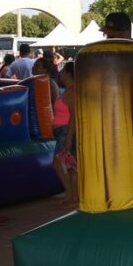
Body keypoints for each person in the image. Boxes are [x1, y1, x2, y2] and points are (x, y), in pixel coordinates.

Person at [51, 62, 78, 207]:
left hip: (65, 131)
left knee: (60, 164)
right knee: (67, 165)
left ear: (68, 73)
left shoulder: (72, 92)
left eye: (62, 70)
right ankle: (72, 195)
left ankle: (71, 195)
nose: (59, 73)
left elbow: (74, 116)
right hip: (62, 131)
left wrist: (68, 139)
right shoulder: (67, 91)